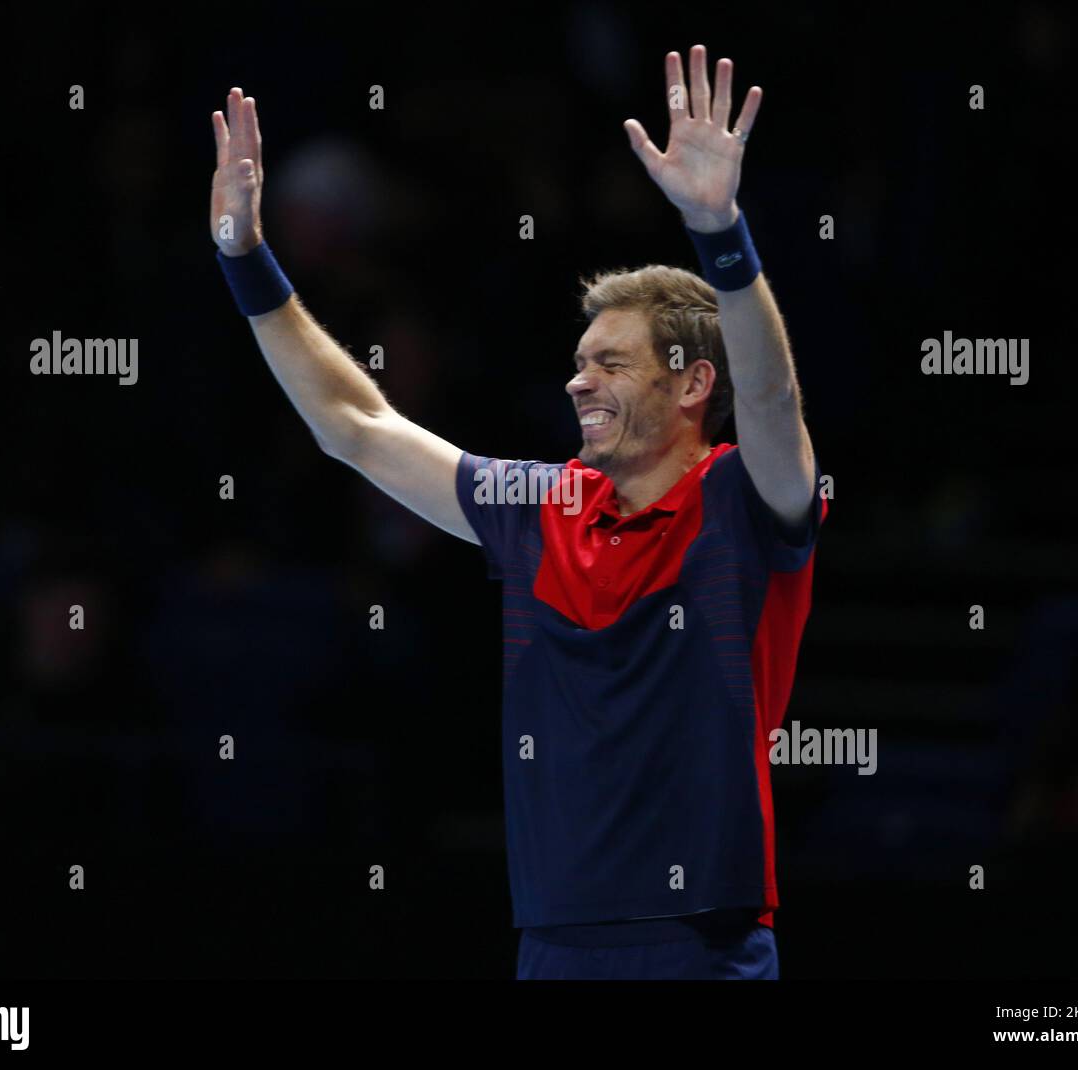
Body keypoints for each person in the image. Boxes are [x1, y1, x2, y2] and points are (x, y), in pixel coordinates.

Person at [209, 44, 826, 980]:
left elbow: (775, 399)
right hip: (553, 942)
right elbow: (357, 426)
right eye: (579, 362)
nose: (578, 383)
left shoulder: (743, 500)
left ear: (695, 383)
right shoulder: (538, 506)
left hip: (703, 940)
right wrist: (247, 262)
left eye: (609, 364)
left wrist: (720, 230)